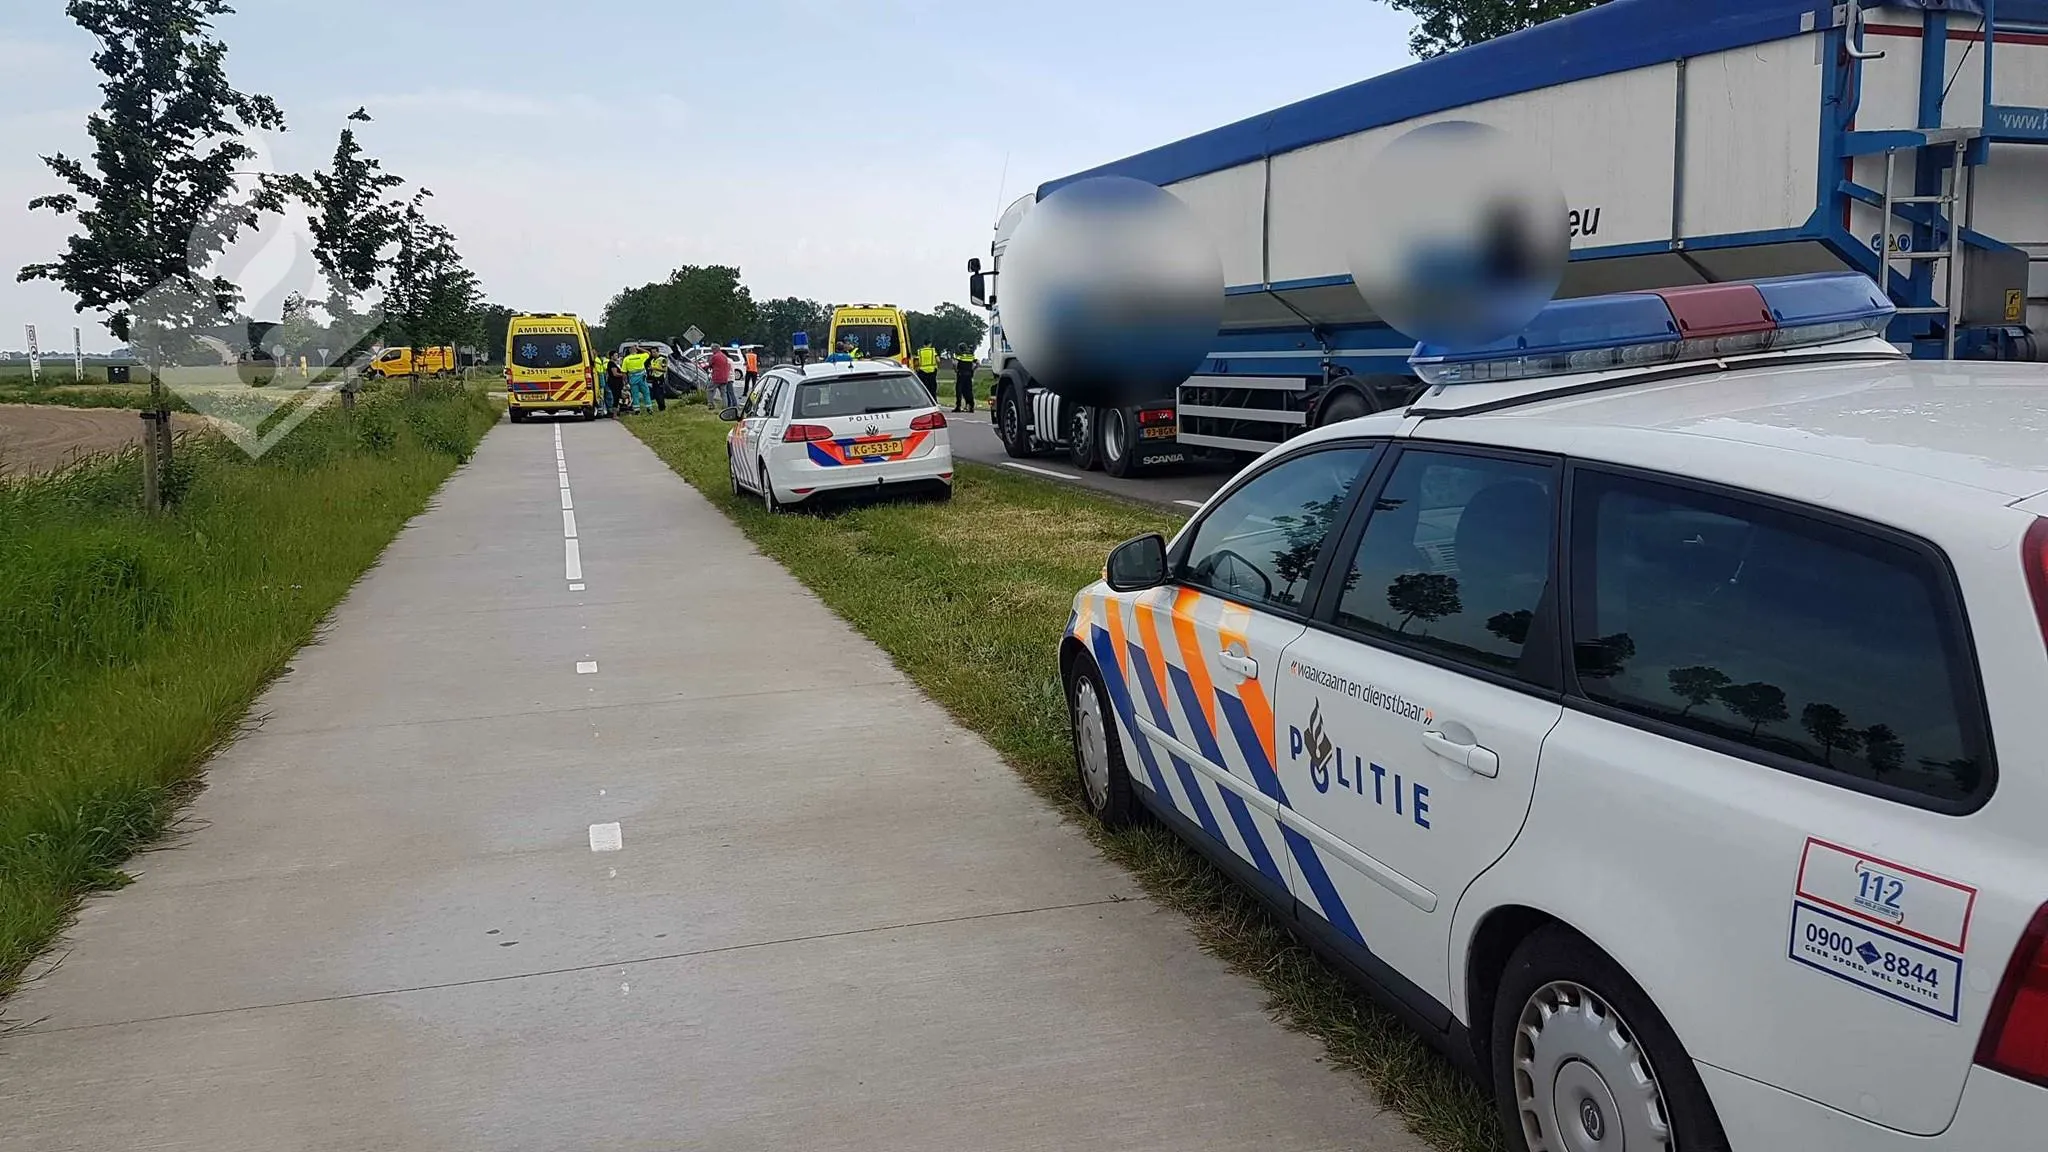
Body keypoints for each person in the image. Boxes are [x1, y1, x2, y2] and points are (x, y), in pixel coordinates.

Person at [621, 345, 651, 413]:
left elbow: (624, 372)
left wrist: (625, 382)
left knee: (635, 394)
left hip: (632, 378)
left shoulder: (626, 359)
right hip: (642, 378)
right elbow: (648, 353)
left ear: (629, 351)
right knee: (646, 393)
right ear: (636, 351)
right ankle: (649, 408)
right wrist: (639, 348)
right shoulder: (641, 356)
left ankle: (637, 409)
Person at [952, 346, 977, 413]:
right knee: (969, 391)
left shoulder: (960, 355)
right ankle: (971, 407)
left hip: (961, 375)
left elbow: (954, 363)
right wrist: (972, 370)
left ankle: (958, 407)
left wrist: (956, 370)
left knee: (959, 391)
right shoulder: (970, 355)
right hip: (969, 375)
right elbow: (977, 363)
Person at [708, 345, 734, 409]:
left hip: (716, 377)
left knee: (710, 390)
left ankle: (711, 405)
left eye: (712, 350)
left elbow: (710, 364)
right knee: (723, 394)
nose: (712, 351)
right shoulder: (725, 356)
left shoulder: (715, 356)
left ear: (715, 349)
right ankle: (725, 407)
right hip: (725, 378)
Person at [647, 347, 670, 412]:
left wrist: (654, 368)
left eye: (654, 352)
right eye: (652, 352)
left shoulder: (662, 359)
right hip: (654, 378)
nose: (653, 354)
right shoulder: (652, 360)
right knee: (655, 394)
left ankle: (662, 407)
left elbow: (664, 369)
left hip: (660, 378)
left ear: (658, 352)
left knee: (659, 393)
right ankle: (660, 407)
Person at [593, 352, 612, 417]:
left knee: (601, 395)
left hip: (600, 380)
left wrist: (602, 383)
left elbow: (602, 372)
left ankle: (601, 411)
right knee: (602, 395)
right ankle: (602, 411)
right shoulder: (597, 360)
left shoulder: (596, 360)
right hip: (599, 380)